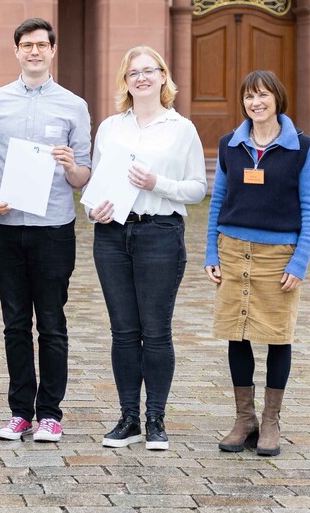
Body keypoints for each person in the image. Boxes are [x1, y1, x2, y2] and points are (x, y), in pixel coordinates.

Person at [0, 17, 91, 443]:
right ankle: (20, 412)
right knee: (14, 323)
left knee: (53, 323)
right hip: (6, 227)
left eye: (42, 45)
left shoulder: (73, 106)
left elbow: (83, 176)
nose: (35, 52)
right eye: (27, 45)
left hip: (53, 229)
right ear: (17, 51)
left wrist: (69, 166)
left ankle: (51, 414)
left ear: (53, 50)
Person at [85, 46, 206, 450]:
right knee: (123, 332)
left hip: (159, 234)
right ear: (125, 81)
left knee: (155, 331)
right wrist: (94, 212)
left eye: (149, 71)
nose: (141, 78)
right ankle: (128, 419)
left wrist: (159, 184)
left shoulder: (180, 128)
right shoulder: (110, 127)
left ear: (163, 77)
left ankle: (156, 419)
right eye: (133, 72)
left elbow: (197, 188)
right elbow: (93, 187)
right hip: (113, 236)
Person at [204, 70, 310, 457]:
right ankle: (244, 419)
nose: (256, 103)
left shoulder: (302, 148)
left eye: (263, 95)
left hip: (278, 257)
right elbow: (217, 203)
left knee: (277, 336)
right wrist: (211, 253)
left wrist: (299, 262)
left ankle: (270, 421)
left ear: (277, 99)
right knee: (236, 334)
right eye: (250, 97)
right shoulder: (229, 145)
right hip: (233, 251)